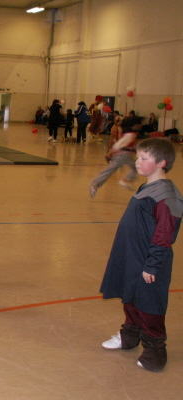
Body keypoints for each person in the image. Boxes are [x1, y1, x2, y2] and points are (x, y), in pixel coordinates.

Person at [100, 138, 183, 372]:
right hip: (133, 256)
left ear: (161, 163)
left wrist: (152, 265)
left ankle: (155, 352)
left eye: (143, 158)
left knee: (150, 305)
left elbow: (164, 234)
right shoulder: (148, 186)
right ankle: (129, 337)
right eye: (138, 157)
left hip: (149, 262)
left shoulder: (167, 195)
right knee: (131, 297)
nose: (137, 162)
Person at [89, 113, 142, 198]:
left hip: (122, 155)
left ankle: (95, 184)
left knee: (110, 170)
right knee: (136, 168)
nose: (140, 126)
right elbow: (120, 144)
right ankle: (125, 180)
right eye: (139, 124)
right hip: (125, 155)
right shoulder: (131, 134)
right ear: (135, 125)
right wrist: (113, 150)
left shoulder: (130, 133)